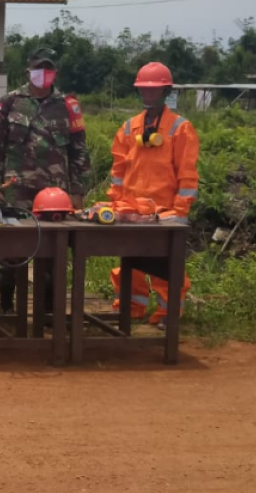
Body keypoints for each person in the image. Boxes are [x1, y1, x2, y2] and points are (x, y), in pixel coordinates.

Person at [0, 47, 91, 314]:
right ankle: (6, 304)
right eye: (38, 69)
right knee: (9, 249)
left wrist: (78, 190)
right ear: (28, 71)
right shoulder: (9, 101)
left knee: (53, 252)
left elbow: (79, 150)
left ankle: (47, 311)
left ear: (54, 73)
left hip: (54, 194)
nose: (42, 75)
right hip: (15, 190)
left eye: (48, 69)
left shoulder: (68, 105)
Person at [108, 62, 198, 326]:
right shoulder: (129, 128)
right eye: (143, 89)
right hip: (131, 211)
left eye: (154, 89)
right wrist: (116, 203)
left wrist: (180, 212)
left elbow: (187, 176)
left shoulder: (180, 128)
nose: (148, 94)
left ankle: (168, 315)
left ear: (166, 90)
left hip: (164, 213)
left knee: (165, 268)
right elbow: (118, 172)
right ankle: (130, 307)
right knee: (129, 265)